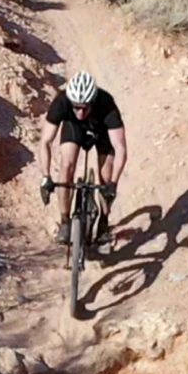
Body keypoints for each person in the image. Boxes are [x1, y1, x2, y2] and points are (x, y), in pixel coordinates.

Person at [39, 71, 126, 245]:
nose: (80, 112)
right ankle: (65, 221)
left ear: (93, 101)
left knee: (105, 176)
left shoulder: (106, 103)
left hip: (102, 131)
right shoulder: (61, 102)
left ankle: (103, 222)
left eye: (85, 107)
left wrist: (112, 184)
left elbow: (120, 148)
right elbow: (45, 142)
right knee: (66, 167)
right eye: (76, 107)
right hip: (74, 129)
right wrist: (46, 177)